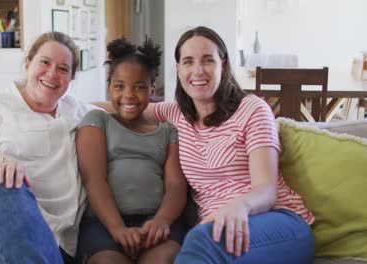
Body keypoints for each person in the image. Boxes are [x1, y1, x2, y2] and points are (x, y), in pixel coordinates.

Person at [94, 26, 315, 263]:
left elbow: (267, 190)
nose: (197, 70)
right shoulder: (175, 114)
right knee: (201, 241)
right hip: (214, 232)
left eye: (207, 60)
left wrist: (239, 206)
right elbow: (124, 105)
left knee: (200, 241)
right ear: (178, 70)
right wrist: (64, 105)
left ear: (224, 64)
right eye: (188, 62)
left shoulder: (253, 109)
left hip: (277, 221)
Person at [0, 31, 98, 264]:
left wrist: (164, 109)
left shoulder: (80, 112)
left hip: (42, 240)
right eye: (44, 62)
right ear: (28, 63)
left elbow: (128, 106)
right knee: (5, 179)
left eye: (63, 69)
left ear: (71, 78)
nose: (52, 73)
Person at [75, 36, 188, 264]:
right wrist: (118, 229)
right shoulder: (97, 120)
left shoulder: (168, 131)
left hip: (156, 221)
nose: (129, 95)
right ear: (109, 89)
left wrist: (162, 220)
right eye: (119, 86)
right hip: (104, 222)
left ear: (152, 89)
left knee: (163, 259)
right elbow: (94, 179)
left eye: (139, 87)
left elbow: (176, 185)